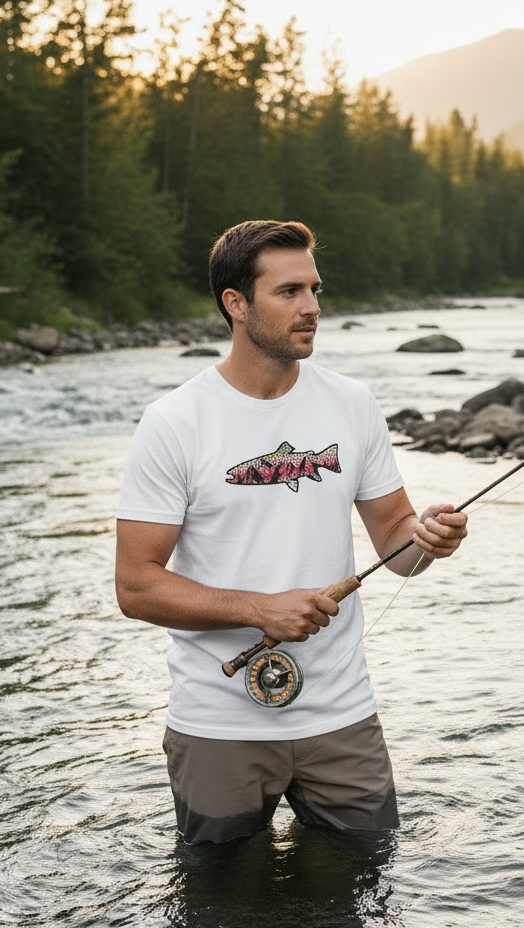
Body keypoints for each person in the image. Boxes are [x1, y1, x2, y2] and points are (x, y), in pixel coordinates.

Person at [115, 220, 468, 845]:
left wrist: (427, 539)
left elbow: (396, 542)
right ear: (236, 304)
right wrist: (260, 610)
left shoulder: (352, 404)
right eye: (289, 292)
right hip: (219, 721)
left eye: (314, 288)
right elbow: (136, 586)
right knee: (221, 904)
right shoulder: (174, 422)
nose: (312, 307)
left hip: (342, 716)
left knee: (362, 884)